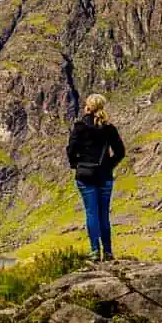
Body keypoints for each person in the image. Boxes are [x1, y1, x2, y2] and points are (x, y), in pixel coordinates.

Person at [65, 93, 125, 260]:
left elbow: (70, 150)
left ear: (88, 107)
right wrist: (109, 165)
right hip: (104, 176)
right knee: (103, 213)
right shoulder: (109, 128)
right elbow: (120, 152)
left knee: (91, 212)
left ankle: (94, 251)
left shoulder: (80, 127)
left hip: (85, 176)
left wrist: (76, 164)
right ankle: (108, 252)